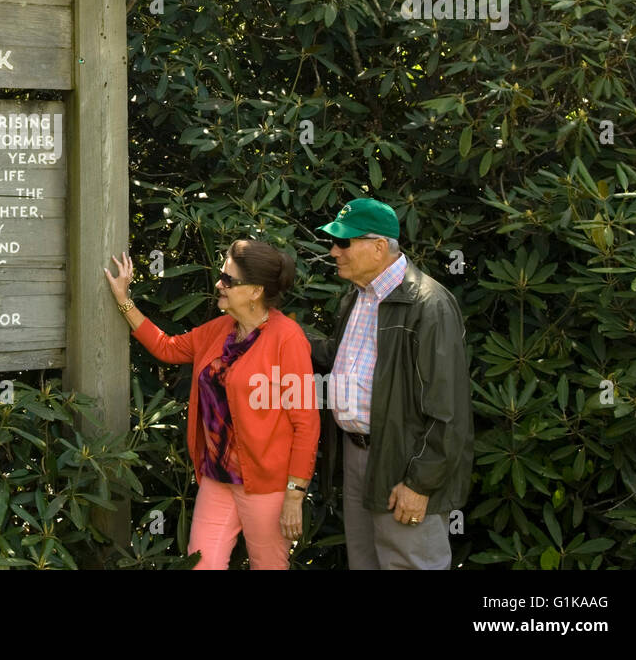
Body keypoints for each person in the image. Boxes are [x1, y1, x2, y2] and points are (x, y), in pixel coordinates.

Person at [104, 239, 319, 569]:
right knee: (201, 563)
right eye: (222, 275)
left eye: (229, 280)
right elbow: (169, 348)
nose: (219, 284)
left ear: (255, 291)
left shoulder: (287, 338)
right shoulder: (220, 329)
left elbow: (305, 422)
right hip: (217, 478)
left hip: (266, 485)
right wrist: (123, 300)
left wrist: (294, 493)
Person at [310, 197, 473, 570]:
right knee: (364, 562)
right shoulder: (357, 296)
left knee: (411, 564)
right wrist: (280, 337)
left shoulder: (428, 305)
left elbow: (447, 408)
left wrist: (420, 484)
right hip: (358, 455)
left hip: (404, 461)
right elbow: (341, 355)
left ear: (379, 246)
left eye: (344, 243)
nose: (334, 251)